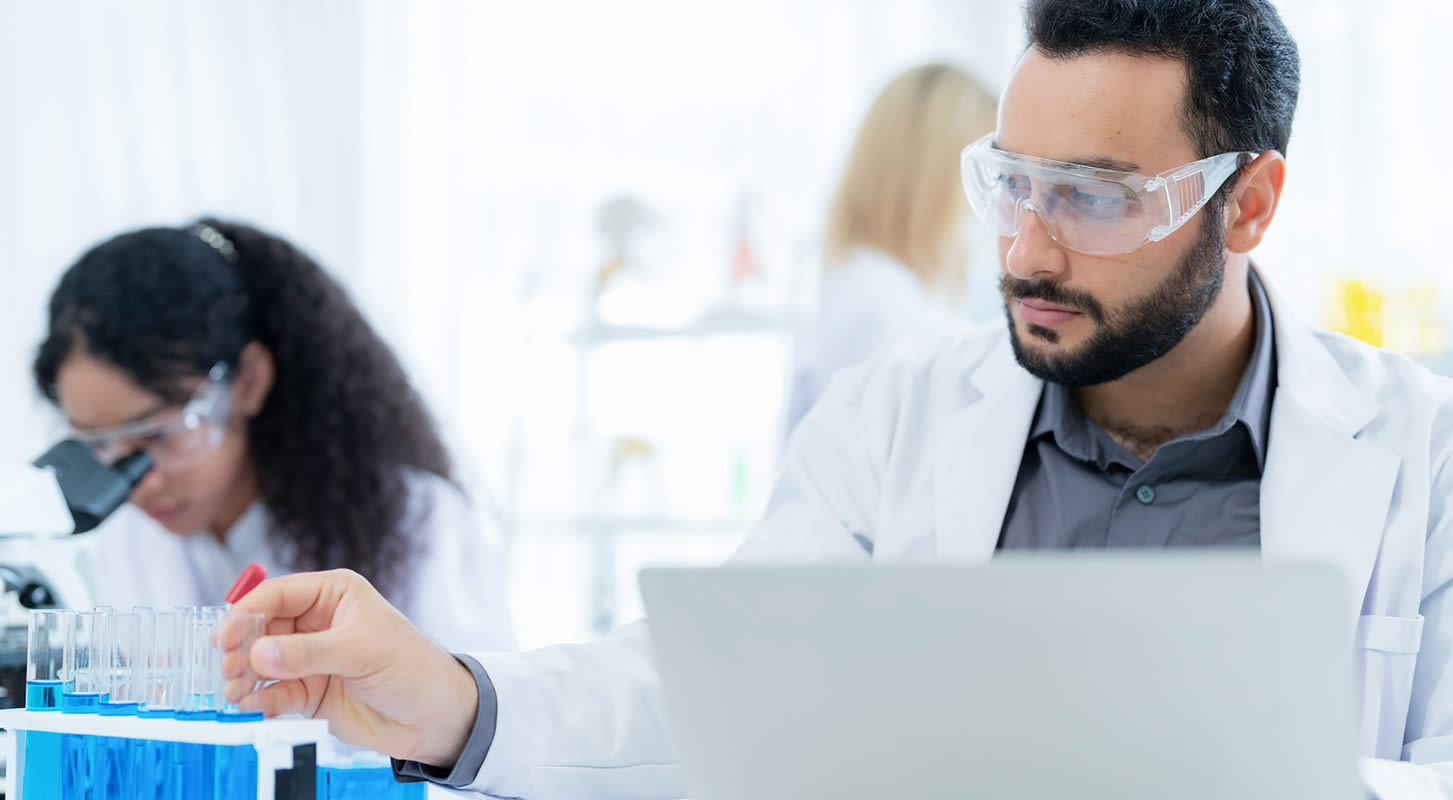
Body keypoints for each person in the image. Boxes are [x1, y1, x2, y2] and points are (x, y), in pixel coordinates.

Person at [223, 1, 1453, 797]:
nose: (1025, 249)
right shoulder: (895, 420)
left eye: (1091, 196)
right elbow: (707, 693)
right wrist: (452, 693)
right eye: (1011, 182)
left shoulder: (1423, 454)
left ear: (1246, 202)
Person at [34, 220, 515, 653]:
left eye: (158, 434)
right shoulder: (127, 540)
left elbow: (478, 732)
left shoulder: (420, 523)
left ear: (247, 382)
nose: (137, 480)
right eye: (97, 442)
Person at [785, 62, 996, 434]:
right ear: (934, 175)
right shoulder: (886, 308)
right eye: (983, 173)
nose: (990, 196)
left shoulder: (864, 284)